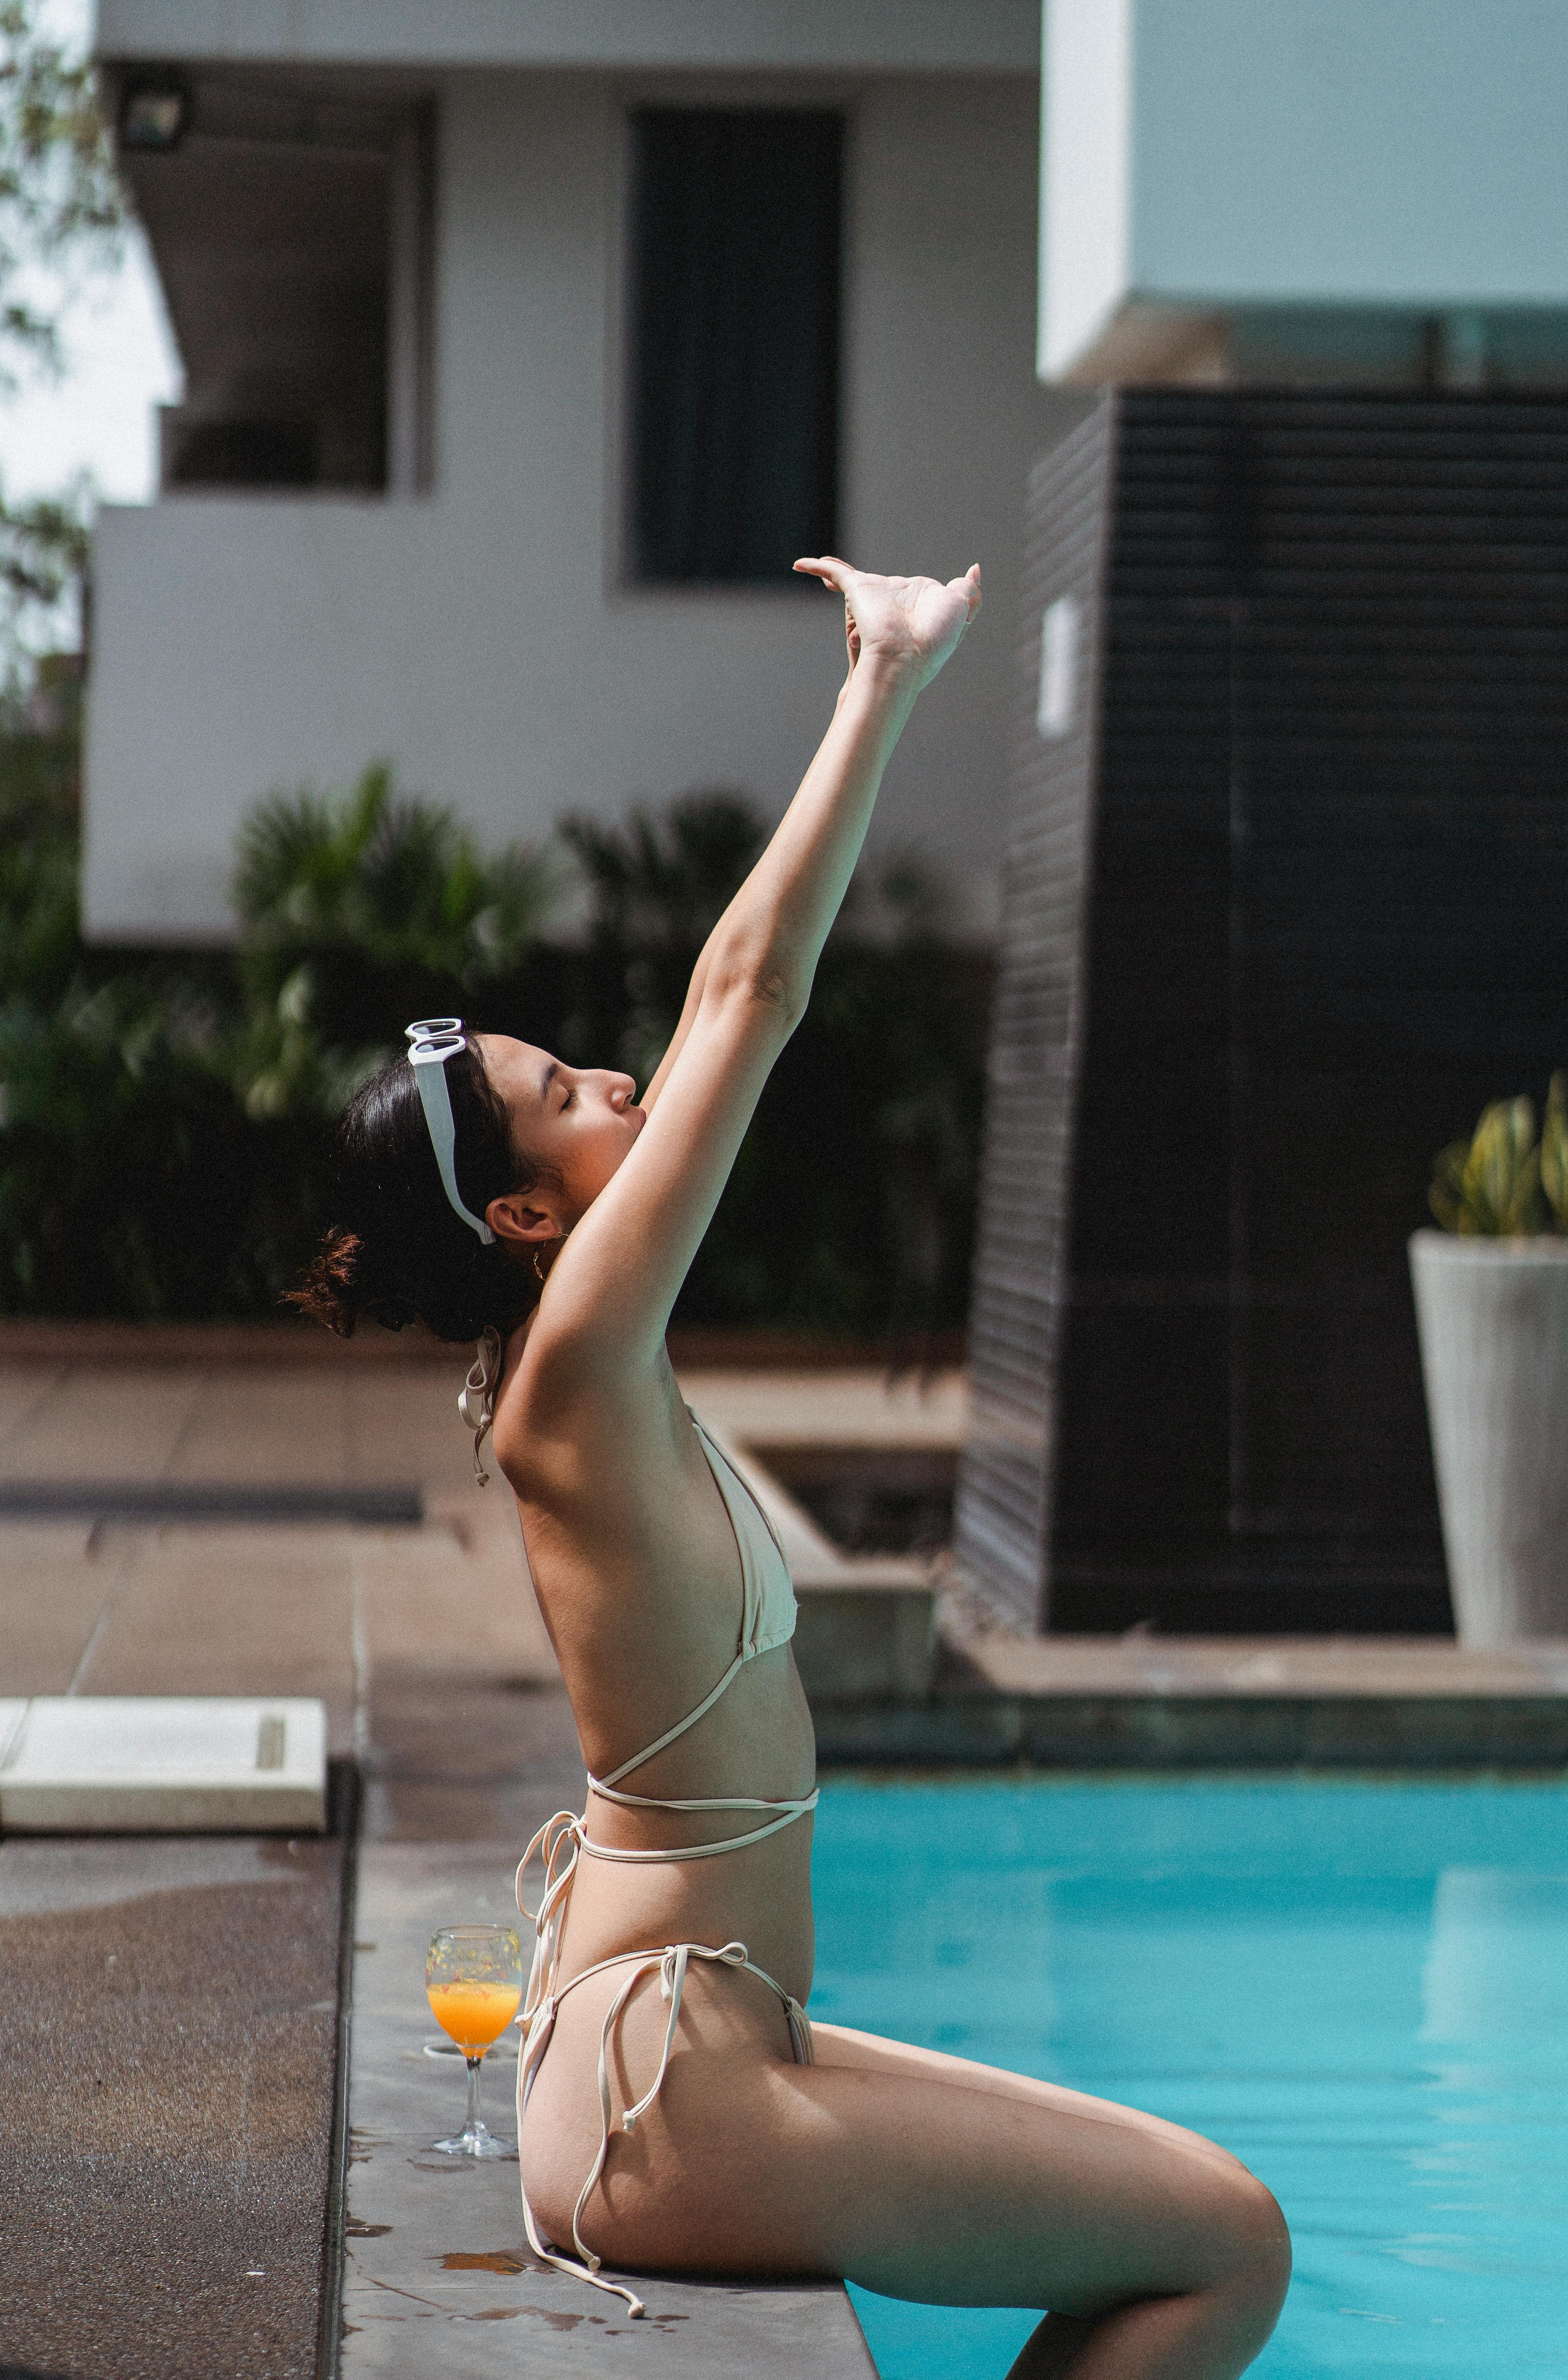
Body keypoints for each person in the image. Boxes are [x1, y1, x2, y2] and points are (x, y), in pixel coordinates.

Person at [295, 557, 1290, 2378]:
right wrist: (881, 678)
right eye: (569, 1090)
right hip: (664, 2091)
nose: (616, 1078)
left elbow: (704, 1033)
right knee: (1225, 2248)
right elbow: (744, 993)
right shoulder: (575, 1375)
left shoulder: (590, 1360)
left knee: (1211, 2202)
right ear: (522, 1212)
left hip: (699, 2037)